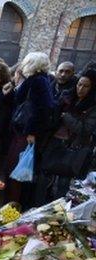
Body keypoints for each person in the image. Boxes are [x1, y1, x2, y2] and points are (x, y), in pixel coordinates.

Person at [4, 51, 57, 208]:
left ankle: (12, 208)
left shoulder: (38, 81)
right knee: (14, 171)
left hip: (24, 134)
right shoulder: (38, 80)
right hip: (20, 133)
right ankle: (10, 206)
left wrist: (31, 131)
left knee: (16, 173)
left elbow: (43, 108)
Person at [45, 69, 96, 198]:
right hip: (55, 142)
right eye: (79, 84)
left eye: (86, 86)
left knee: (62, 184)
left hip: (73, 148)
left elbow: (85, 130)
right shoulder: (67, 97)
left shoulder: (92, 107)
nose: (81, 89)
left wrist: (66, 117)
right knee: (45, 180)